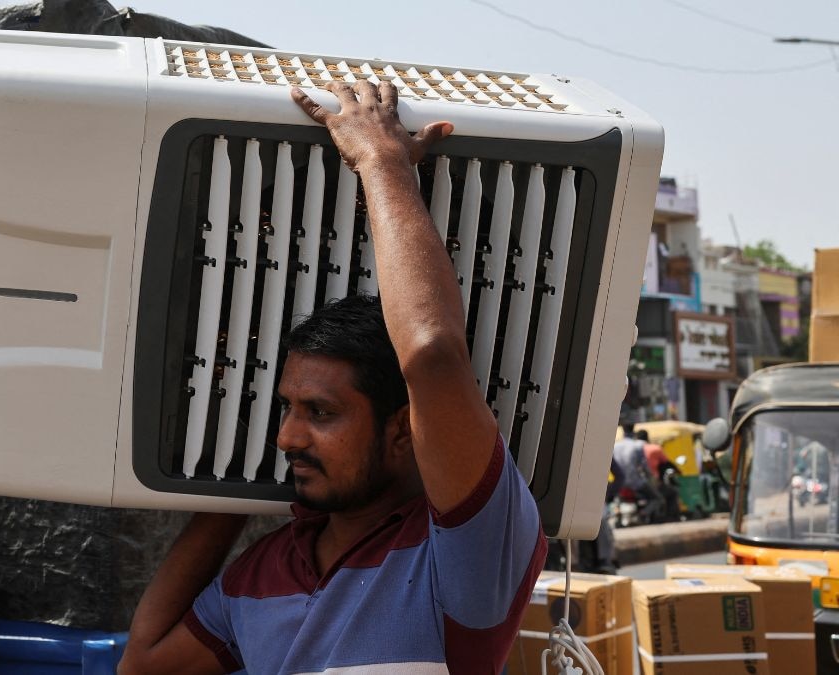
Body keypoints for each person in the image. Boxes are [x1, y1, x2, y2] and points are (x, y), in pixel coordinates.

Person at [118, 80, 546, 675]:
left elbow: (431, 355)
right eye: (286, 409)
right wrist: (229, 484)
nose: (287, 438)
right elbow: (144, 666)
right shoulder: (262, 572)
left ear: (405, 430)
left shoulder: (463, 557)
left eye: (320, 413)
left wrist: (381, 161)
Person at [612, 424, 662, 522]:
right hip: (636, 483)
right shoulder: (637, 446)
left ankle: (616, 511)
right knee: (657, 498)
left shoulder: (615, 446)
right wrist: (651, 478)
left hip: (619, 484)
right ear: (633, 432)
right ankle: (643, 513)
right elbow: (644, 466)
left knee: (614, 499)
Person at [637, 429, 680, 522]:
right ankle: (671, 517)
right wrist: (679, 471)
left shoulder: (632, 448)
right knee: (672, 492)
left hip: (632, 482)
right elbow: (667, 463)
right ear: (647, 437)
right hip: (652, 482)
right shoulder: (654, 448)